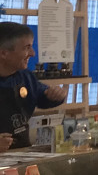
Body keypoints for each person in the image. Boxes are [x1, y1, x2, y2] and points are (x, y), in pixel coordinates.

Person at [0, 23, 67, 152]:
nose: (33, 53)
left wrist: (56, 95)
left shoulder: (25, 77)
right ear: (4, 53)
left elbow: (42, 96)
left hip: (21, 153)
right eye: (27, 48)